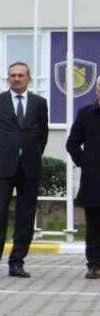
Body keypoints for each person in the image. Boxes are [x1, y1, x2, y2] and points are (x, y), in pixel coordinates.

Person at [0, 62, 48, 278]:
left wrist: (29, 154)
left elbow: (43, 135)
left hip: (29, 167)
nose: (16, 79)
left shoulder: (39, 103)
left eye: (20, 75)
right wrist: (1, 153)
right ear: (8, 78)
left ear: (29, 78)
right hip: (2, 166)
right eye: (12, 75)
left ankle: (17, 262)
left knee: (25, 216)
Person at [66, 83, 100, 279]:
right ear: (97, 90)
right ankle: (94, 264)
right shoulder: (86, 113)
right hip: (94, 180)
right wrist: (85, 163)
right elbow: (72, 143)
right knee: (94, 226)